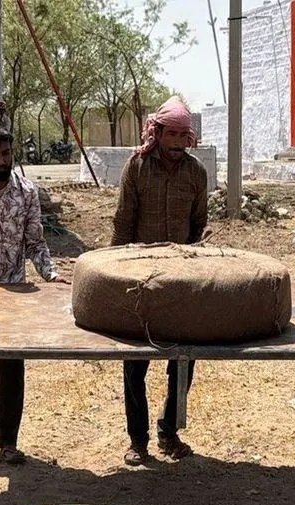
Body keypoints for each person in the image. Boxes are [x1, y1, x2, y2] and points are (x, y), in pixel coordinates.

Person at [111, 96, 209, 467]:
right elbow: (123, 222)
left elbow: (199, 224)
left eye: (184, 136)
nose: (178, 142)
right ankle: (138, 441)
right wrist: (113, 270)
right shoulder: (136, 166)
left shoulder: (196, 172)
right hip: (140, 278)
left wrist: (194, 265)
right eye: (172, 135)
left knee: (184, 359)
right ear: (157, 133)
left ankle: (169, 431)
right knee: (135, 361)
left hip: (181, 279)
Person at [0, 124, 65, 465]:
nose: (1, 160)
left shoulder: (27, 192)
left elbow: (35, 242)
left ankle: (8, 442)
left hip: (15, 294)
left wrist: (51, 274)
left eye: (6, 153)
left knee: (11, 368)